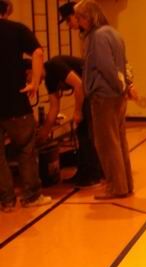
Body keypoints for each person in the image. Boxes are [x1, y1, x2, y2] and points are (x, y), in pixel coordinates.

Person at [74, 0, 134, 199]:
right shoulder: (114, 33)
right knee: (119, 141)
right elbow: (123, 64)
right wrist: (124, 87)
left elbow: (105, 66)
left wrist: (116, 87)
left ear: (89, 17)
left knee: (107, 144)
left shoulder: (97, 37)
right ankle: (125, 184)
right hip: (116, 96)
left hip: (104, 96)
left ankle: (115, 187)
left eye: (80, 18)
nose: (78, 23)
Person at [0, 0, 52, 212]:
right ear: (6, 10)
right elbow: (38, 53)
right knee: (26, 150)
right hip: (16, 102)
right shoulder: (16, 29)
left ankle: (6, 200)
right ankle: (31, 196)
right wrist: (34, 82)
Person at [39, 54, 103, 187]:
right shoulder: (49, 80)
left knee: (85, 133)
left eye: (28, 78)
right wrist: (44, 132)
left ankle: (92, 175)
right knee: (82, 133)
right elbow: (54, 108)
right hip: (89, 89)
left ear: (31, 70)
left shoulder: (53, 65)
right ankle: (86, 172)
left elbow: (79, 85)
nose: (31, 82)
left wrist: (77, 111)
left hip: (95, 88)